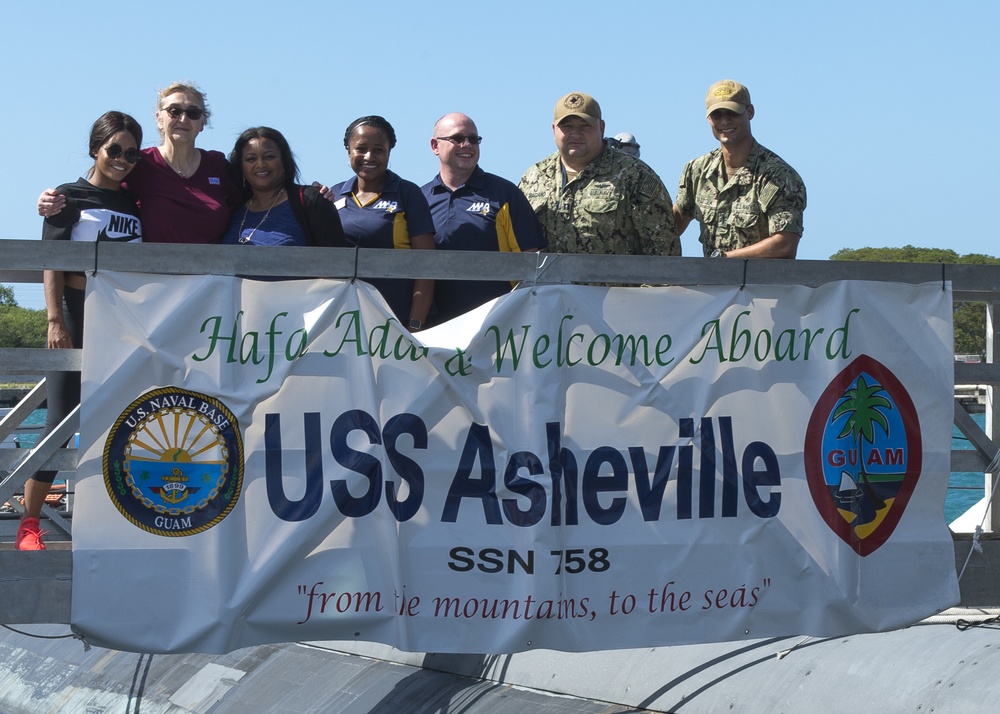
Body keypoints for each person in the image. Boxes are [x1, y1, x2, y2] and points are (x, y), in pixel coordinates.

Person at [18, 112, 144, 550]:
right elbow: (50, 259)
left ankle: (112, 518)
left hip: (121, 316)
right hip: (73, 310)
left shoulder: (137, 200)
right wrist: (55, 320)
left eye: (131, 153)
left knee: (118, 418)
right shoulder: (67, 197)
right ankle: (29, 524)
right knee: (60, 420)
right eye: (115, 150)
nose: (123, 159)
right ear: (96, 148)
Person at [38, 82, 241, 244]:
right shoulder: (139, 163)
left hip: (212, 286)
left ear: (203, 122)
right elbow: (101, 190)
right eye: (174, 111)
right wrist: (56, 199)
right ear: (159, 119)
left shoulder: (218, 165)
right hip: (151, 286)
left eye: (193, 113)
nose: (183, 118)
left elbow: (252, 204)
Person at [519, 92, 679, 256]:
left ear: (601, 128)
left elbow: (664, 254)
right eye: (567, 126)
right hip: (546, 282)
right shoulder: (533, 178)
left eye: (585, 126)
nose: (576, 133)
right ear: (554, 130)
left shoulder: (635, 176)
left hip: (614, 282)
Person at [421, 112, 546, 323]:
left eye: (473, 139)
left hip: (496, 329)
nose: (467, 145)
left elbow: (531, 263)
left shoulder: (505, 194)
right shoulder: (419, 199)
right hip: (434, 330)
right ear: (435, 146)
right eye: (458, 138)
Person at [673, 79, 806, 258]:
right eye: (717, 115)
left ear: (749, 112)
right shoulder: (697, 171)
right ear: (708, 118)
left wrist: (724, 259)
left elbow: (785, 244)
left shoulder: (778, 176)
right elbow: (673, 224)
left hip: (760, 285)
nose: (724, 121)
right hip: (710, 284)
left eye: (732, 113)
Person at [333, 116, 435, 330]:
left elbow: (427, 265)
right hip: (344, 321)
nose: (369, 156)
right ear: (348, 151)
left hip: (395, 320)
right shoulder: (333, 195)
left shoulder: (407, 194)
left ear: (389, 152)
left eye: (379, 150)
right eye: (361, 148)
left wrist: (415, 325)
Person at [224, 126, 346, 248]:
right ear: (241, 167)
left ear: (284, 161)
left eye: (269, 157)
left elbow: (337, 261)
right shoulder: (231, 207)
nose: (260, 164)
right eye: (251, 159)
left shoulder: (311, 200)